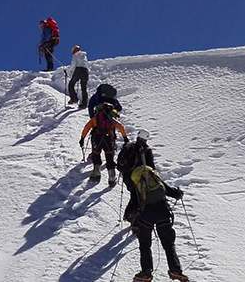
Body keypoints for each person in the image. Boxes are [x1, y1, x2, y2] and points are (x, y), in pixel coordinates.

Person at [116, 129, 188, 282]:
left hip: (146, 215)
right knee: (168, 244)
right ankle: (176, 270)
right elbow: (168, 190)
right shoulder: (155, 178)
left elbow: (135, 202)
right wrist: (178, 193)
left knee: (145, 244)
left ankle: (146, 272)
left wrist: (130, 214)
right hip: (163, 212)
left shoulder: (136, 185)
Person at [78, 102, 127, 184]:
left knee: (96, 155)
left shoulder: (95, 119)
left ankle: (96, 174)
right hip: (109, 139)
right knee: (109, 157)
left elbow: (87, 128)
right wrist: (125, 137)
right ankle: (112, 177)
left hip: (97, 138)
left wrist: (82, 138)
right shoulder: (112, 119)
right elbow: (120, 127)